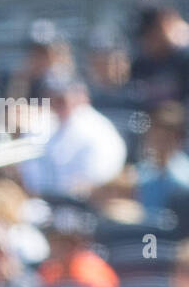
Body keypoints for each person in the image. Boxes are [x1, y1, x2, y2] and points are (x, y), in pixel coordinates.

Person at [19, 70, 128, 200]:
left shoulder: (99, 129)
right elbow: (29, 173)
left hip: (87, 205)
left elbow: (98, 181)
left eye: (61, 99)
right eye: (51, 98)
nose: (55, 104)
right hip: (42, 203)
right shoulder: (41, 124)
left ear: (81, 96)